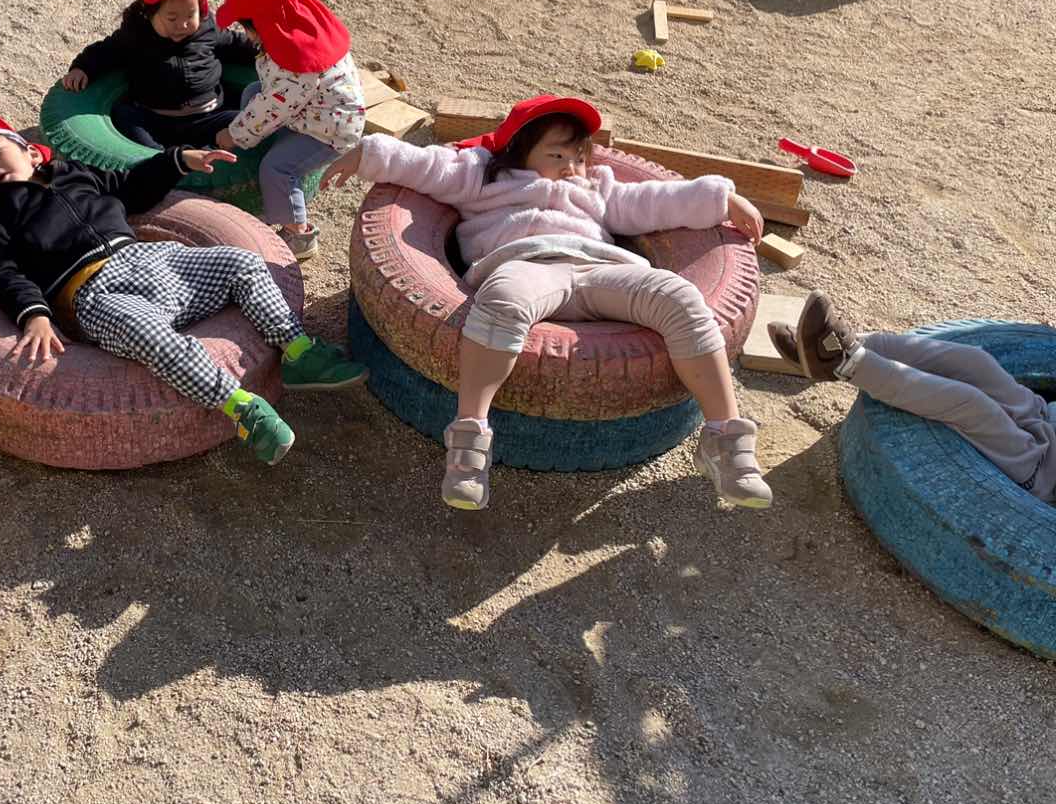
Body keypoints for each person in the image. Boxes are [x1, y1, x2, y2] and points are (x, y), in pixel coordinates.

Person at [323, 94, 771, 512]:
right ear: (519, 150)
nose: (571, 167)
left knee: (682, 298)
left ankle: (724, 439)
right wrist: (366, 154)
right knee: (501, 301)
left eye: (578, 157)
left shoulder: (598, 188)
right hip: (526, 265)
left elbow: (656, 201)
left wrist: (723, 200)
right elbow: (425, 166)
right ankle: (469, 439)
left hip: (598, 269)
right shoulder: (483, 175)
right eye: (557, 156)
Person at [0, 108, 368, 465]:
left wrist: (176, 161)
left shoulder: (73, 173)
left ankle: (298, 352)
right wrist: (35, 314)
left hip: (152, 260)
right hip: (94, 294)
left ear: (30, 152)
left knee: (242, 263)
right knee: (149, 335)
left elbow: (130, 188)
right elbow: (2, 273)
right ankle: (241, 408)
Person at [769, 291, 1054, 501]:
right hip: (1041, 417)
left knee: (972, 405)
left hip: (1037, 469)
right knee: (977, 362)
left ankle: (843, 362)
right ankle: (834, 347)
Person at [213, 0, 364, 262]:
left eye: (246, 27)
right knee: (253, 91)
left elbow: (273, 107)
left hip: (330, 130)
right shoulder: (295, 23)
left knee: (277, 168)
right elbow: (270, 97)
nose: (246, 34)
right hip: (318, 109)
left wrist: (234, 134)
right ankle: (257, 149)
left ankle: (299, 234)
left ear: (261, 23)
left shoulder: (294, 65)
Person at [61, 0, 258, 151]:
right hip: (155, 119)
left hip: (208, 116)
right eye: (172, 18)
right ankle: (159, 158)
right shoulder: (136, 34)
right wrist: (82, 67)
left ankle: (205, 156)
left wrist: (268, 50)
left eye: (190, 15)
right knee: (124, 115)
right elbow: (107, 50)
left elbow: (237, 44)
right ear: (150, 13)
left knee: (243, 123)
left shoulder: (207, 28)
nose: (183, 24)